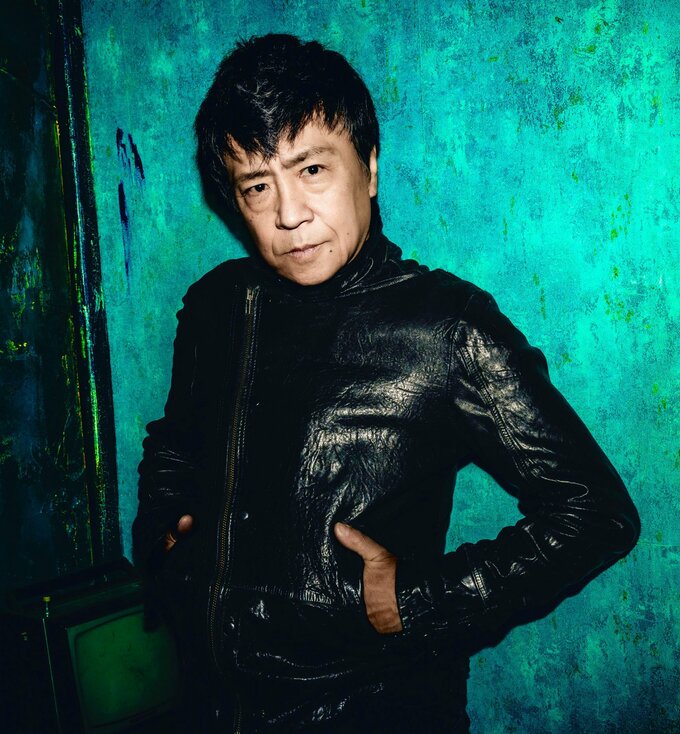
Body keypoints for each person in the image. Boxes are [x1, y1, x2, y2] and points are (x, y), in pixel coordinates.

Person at [132, 33, 640, 733]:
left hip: (374, 707)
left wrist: (422, 602)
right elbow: (176, 440)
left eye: (312, 169)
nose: (289, 215)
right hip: (206, 708)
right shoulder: (217, 306)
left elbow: (595, 513)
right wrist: (164, 535)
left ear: (368, 168)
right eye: (258, 186)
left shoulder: (446, 327)